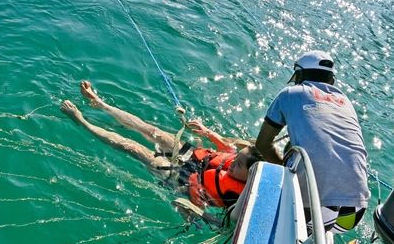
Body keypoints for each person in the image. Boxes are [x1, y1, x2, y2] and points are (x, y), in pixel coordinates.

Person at [61, 81, 262, 209]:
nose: (234, 161)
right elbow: (229, 149)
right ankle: (99, 103)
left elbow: (198, 205)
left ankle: (82, 121)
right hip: (193, 156)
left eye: (239, 164)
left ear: (251, 175)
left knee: (133, 147)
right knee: (148, 129)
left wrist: (193, 188)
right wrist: (207, 132)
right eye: (238, 158)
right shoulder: (238, 158)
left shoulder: (234, 196)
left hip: (179, 176)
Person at [255, 50, 370, 234]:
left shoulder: (290, 94)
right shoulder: (345, 102)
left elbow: (262, 145)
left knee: (291, 149)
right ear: (331, 81)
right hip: (354, 213)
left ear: (299, 75)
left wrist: (285, 172)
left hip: (317, 207)